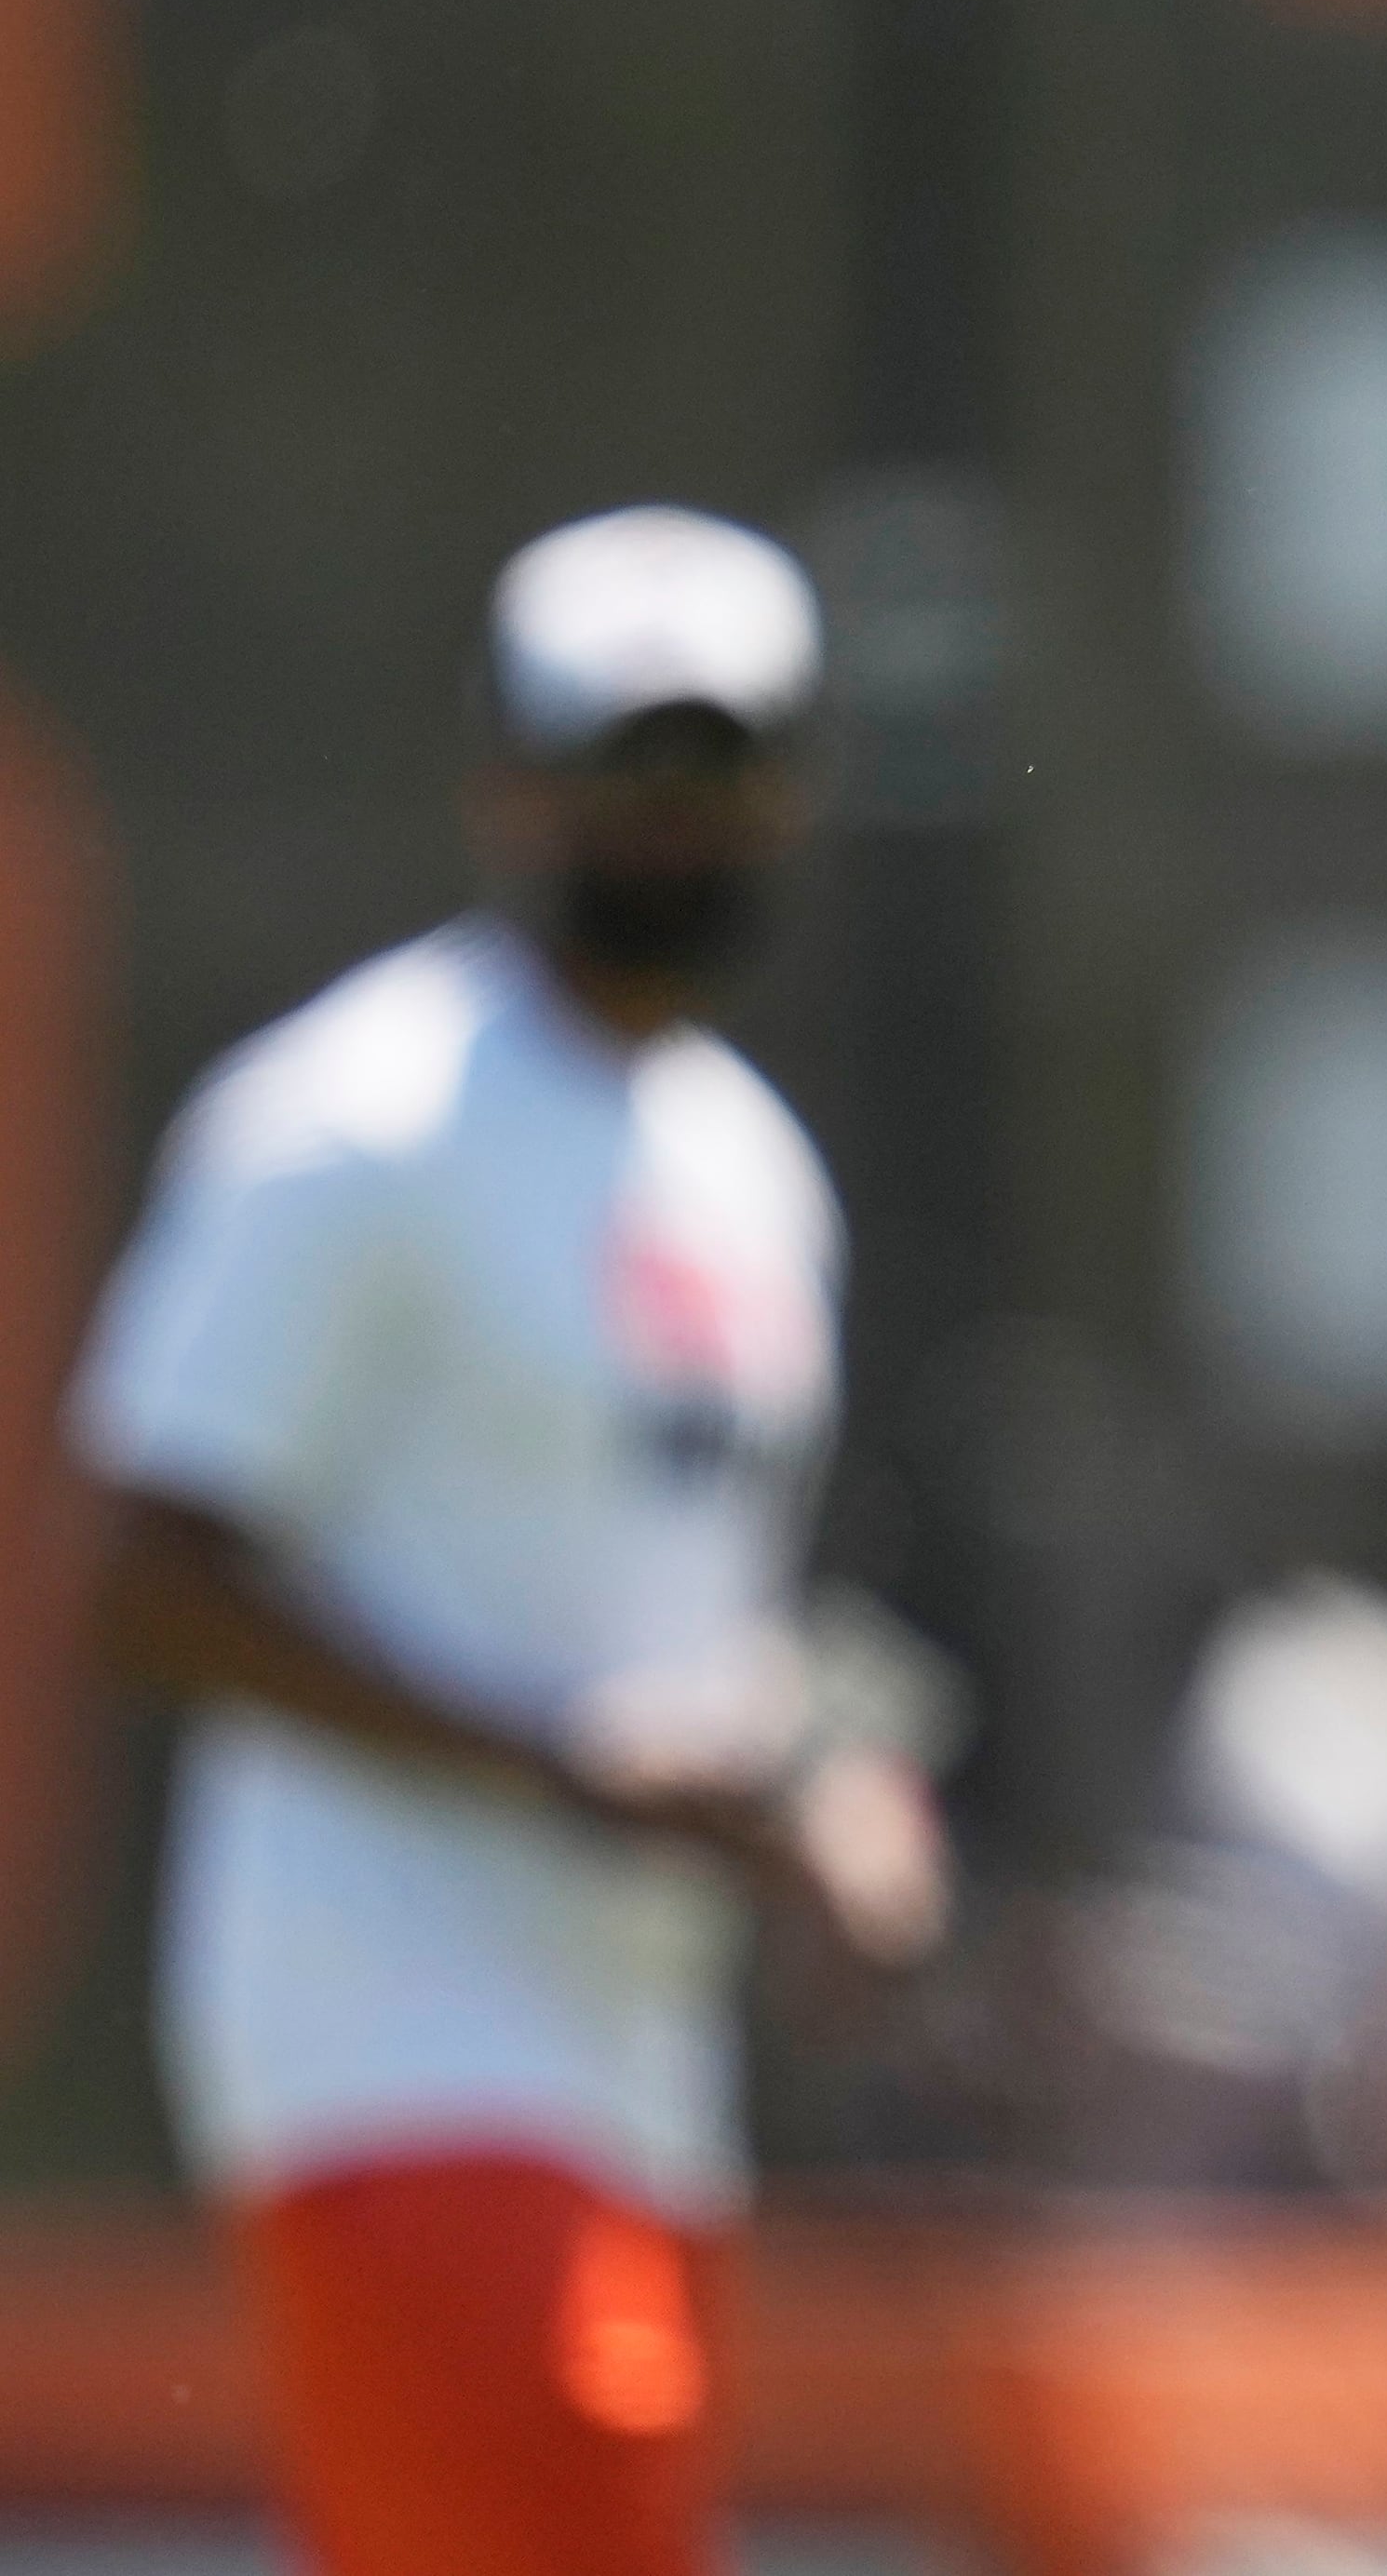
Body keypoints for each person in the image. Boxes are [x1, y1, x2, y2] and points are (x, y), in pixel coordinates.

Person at [77, 505, 948, 2576]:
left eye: (716, 774)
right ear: (506, 782)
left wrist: (836, 1792)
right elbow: (139, 1572)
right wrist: (558, 1763)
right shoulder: (356, 1119)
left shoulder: (745, 1160)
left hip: (639, 2051)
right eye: (621, 771)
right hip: (391, 2023)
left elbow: (691, 1600)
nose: (671, 827)